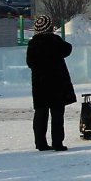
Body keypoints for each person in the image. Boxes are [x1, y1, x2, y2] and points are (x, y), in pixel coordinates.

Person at [26, 14, 76, 152]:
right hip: (57, 83)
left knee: (40, 113)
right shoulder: (55, 40)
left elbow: (30, 62)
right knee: (57, 114)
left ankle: (40, 143)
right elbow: (68, 49)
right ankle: (57, 143)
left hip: (39, 84)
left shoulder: (33, 43)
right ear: (50, 28)